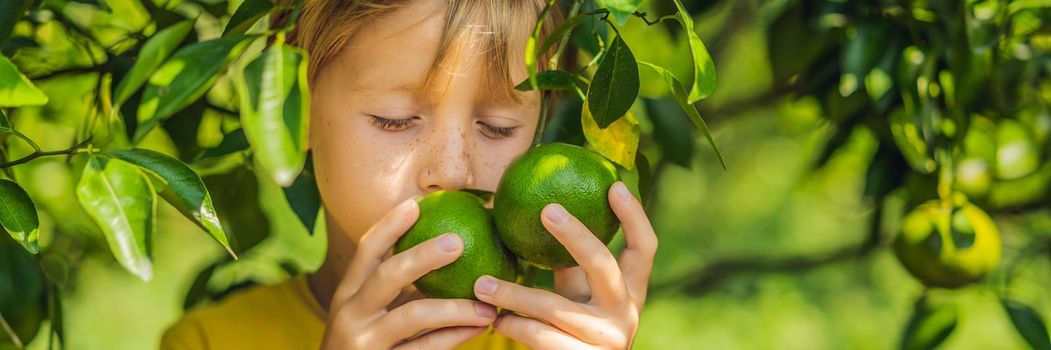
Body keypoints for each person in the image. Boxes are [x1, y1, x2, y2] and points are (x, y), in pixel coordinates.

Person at [161, 0, 658, 349]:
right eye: (394, 119)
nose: (453, 171)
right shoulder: (208, 342)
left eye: (498, 127)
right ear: (296, 112)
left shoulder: (561, 341)